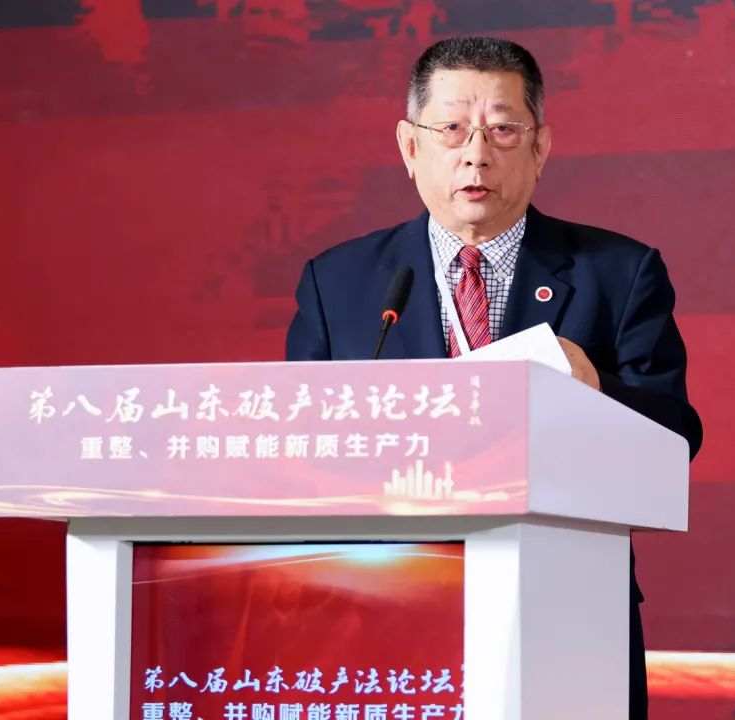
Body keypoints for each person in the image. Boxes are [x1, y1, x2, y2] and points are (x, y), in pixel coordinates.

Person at [285, 35, 703, 719]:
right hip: (380, 608)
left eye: (503, 130)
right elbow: (295, 450)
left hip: (566, 608)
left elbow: (677, 438)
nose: (475, 154)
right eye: (451, 129)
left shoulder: (618, 273)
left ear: (540, 148)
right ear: (410, 147)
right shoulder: (339, 283)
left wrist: (598, 393)